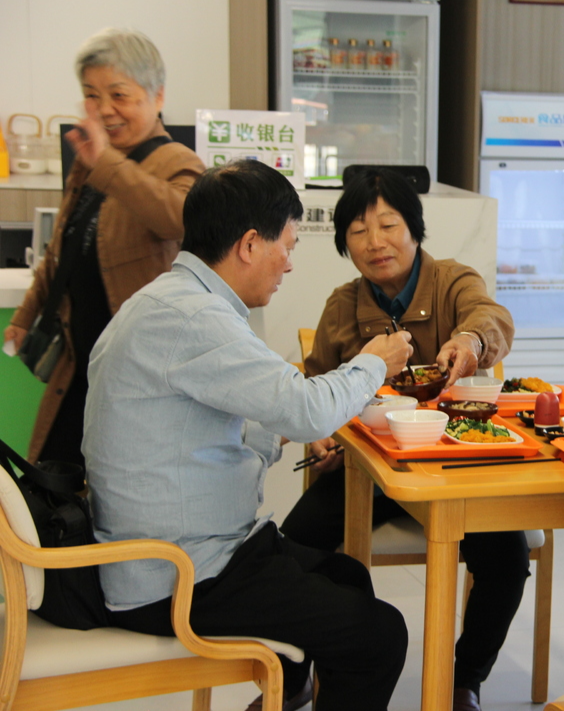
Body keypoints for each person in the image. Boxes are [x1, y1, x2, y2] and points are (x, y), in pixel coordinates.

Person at [83, 160, 415, 711]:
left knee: (347, 575)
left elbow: (199, 430)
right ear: (249, 244)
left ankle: (288, 692)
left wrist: (279, 434)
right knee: (379, 635)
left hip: (177, 549)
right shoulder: (193, 318)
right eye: (286, 245)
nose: (288, 263)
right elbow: (308, 409)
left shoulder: (167, 301)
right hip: (179, 575)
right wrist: (373, 363)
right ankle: (295, 685)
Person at [280, 167, 522, 711]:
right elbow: (314, 393)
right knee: (289, 550)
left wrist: (469, 340)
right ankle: (294, 675)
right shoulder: (342, 305)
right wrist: (321, 438)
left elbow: (492, 316)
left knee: (506, 554)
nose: (375, 242)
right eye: (359, 232)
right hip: (365, 473)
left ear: (414, 229)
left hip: (452, 471)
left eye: (388, 225)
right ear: (345, 243)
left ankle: (466, 678)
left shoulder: (453, 280)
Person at [4, 28, 204, 467]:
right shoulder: (92, 161)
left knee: (112, 488)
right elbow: (60, 250)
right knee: (54, 480)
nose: (104, 110)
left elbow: (179, 216)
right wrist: (25, 317)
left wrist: (106, 163)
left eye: (119, 94)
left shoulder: (178, 161)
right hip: (78, 364)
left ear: (157, 95)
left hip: (138, 374)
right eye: (92, 95)